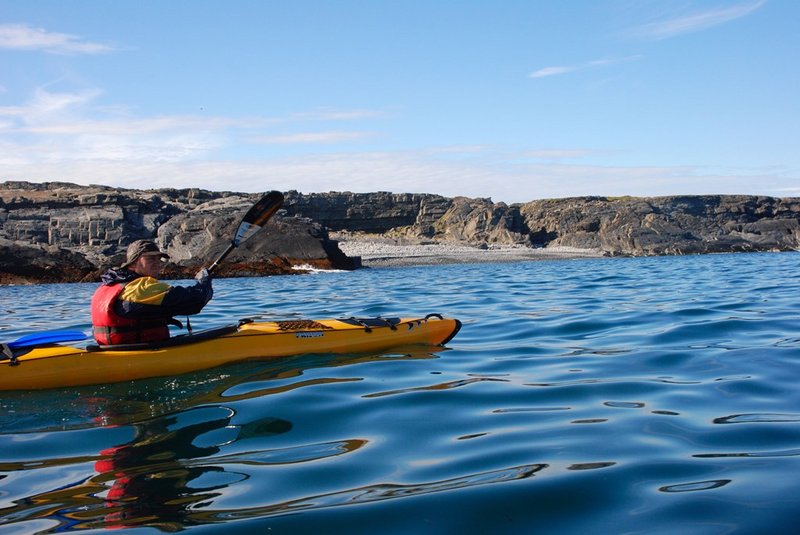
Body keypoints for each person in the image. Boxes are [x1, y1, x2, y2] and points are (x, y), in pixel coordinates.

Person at [91, 239, 213, 345]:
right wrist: (204, 280)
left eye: (158, 259)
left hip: (112, 347)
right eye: (150, 258)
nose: (157, 263)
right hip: (136, 354)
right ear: (133, 262)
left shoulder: (108, 285)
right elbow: (196, 300)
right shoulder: (141, 287)